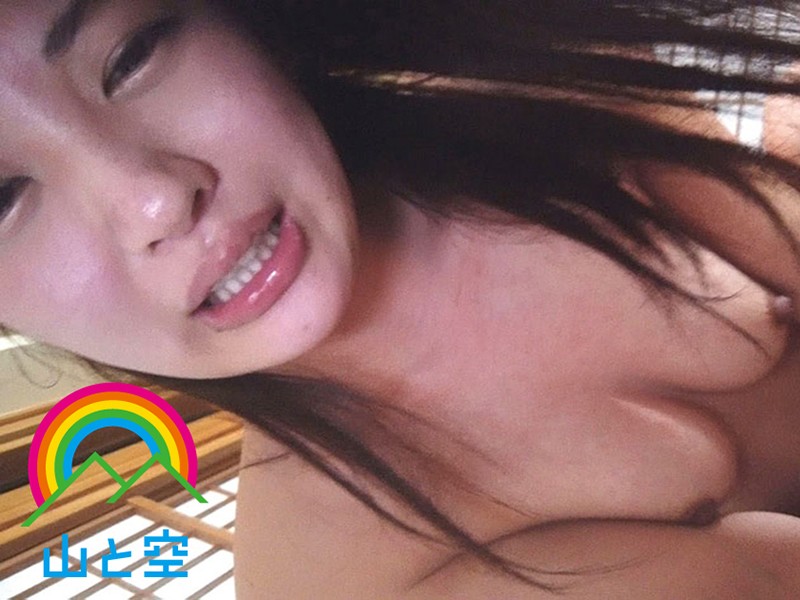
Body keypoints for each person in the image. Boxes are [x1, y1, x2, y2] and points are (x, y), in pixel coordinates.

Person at [3, 0, 800, 597]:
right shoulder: (339, 580)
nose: (155, 200)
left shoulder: (533, 85)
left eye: (132, 56)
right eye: (4, 199)